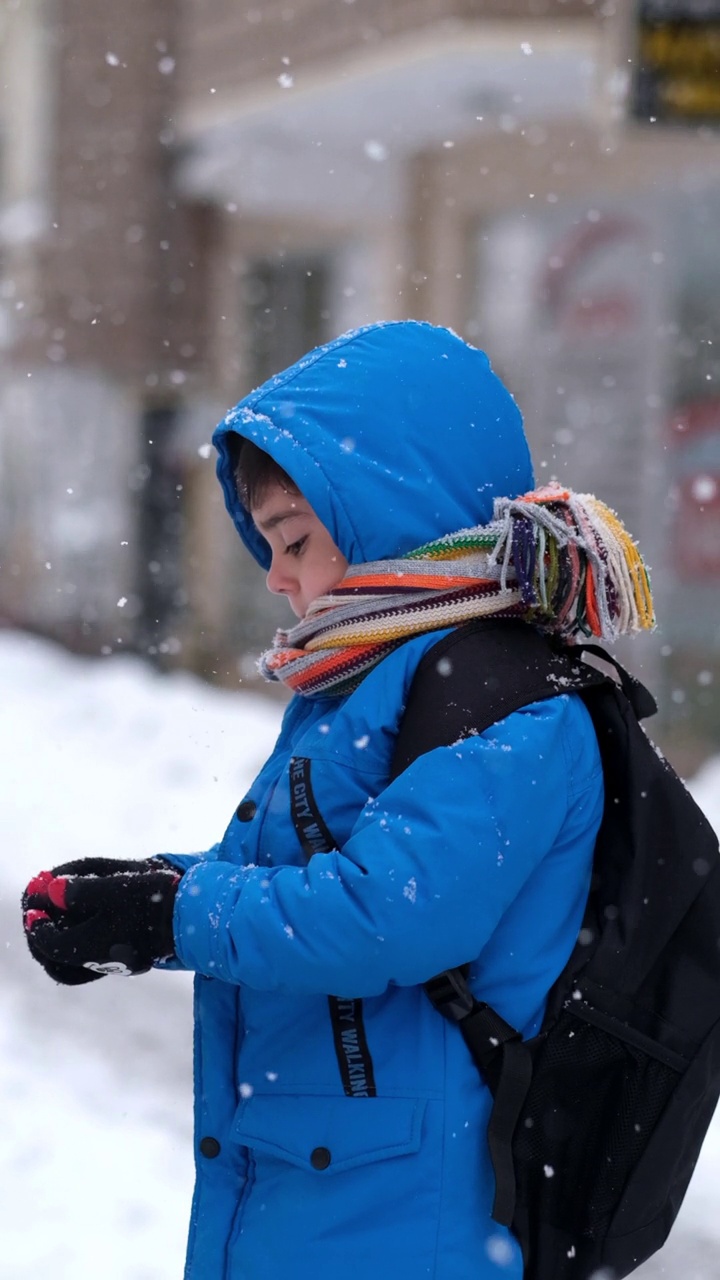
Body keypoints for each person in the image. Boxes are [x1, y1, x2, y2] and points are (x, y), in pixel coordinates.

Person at [22, 320, 654, 1279]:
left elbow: (382, 918)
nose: (275, 577)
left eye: (295, 541)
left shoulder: (510, 706)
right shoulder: (376, 683)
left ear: (389, 516)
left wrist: (172, 916)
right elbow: (307, 880)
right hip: (329, 1191)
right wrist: (144, 895)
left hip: (412, 1218)